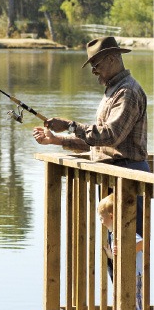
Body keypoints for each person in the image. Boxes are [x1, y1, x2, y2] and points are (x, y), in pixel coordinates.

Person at [33, 36, 150, 233]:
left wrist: (70, 125)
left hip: (128, 178)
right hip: (113, 177)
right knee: (114, 252)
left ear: (112, 59)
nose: (94, 71)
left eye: (96, 64)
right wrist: (58, 140)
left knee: (132, 249)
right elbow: (99, 142)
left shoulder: (127, 92)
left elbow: (111, 135)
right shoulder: (113, 90)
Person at [98, 193, 151, 310]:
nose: (101, 222)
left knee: (140, 309)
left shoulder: (125, 232)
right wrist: (110, 254)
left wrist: (123, 250)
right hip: (127, 275)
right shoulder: (114, 233)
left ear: (112, 216)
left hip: (136, 275)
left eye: (102, 218)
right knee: (133, 307)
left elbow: (142, 243)